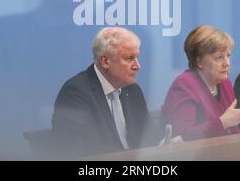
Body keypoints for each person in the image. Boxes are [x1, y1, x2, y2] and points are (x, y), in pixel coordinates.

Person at [51, 27, 160, 159]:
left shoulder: (132, 90)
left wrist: (164, 143)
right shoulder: (75, 94)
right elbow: (84, 149)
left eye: (137, 57)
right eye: (129, 58)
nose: (137, 66)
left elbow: (148, 135)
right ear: (105, 61)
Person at [161, 25, 240, 141]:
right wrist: (222, 122)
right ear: (199, 61)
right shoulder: (184, 85)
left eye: (228, 56)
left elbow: (224, 133)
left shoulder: (225, 83)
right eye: (219, 57)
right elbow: (182, 137)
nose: (226, 63)